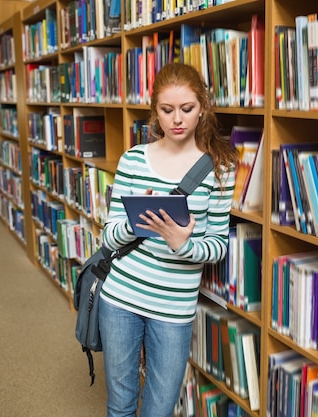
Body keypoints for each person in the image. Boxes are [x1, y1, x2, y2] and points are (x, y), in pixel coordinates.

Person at [98, 62, 237, 417]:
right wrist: (136, 222)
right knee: (120, 404)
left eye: (187, 109)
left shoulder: (219, 169)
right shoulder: (133, 160)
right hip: (121, 298)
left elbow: (218, 246)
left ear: (202, 107)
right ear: (154, 111)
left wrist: (183, 242)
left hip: (173, 310)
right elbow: (108, 237)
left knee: (159, 409)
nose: (177, 119)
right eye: (167, 110)